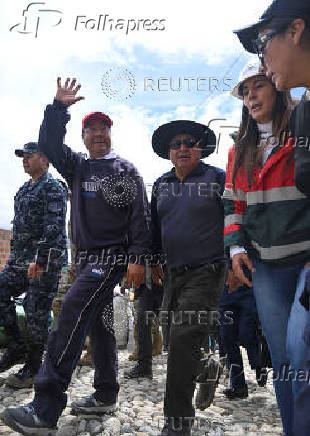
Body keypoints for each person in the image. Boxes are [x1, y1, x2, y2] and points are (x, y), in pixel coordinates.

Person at [0, 77, 151, 436]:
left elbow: (141, 217)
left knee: (70, 310)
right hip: (83, 257)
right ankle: (106, 392)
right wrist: (58, 108)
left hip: (111, 257)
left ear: (111, 134)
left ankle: (45, 407)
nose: (98, 133)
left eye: (104, 128)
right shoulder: (78, 166)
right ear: (84, 136)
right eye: (92, 129)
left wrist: (138, 258)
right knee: (97, 325)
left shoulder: (124, 170)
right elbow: (50, 142)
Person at [223, 58, 310, 436]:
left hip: (306, 260)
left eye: (257, 86)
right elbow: (233, 205)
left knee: (301, 350)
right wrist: (235, 249)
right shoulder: (239, 150)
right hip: (265, 270)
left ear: (276, 85)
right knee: (283, 361)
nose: (251, 96)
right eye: (245, 91)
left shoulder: (302, 131)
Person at [151, 120, 227, 435]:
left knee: (183, 338)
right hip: (170, 274)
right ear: (169, 152)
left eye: (189, 142)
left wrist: (236, 258)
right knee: (172, 338)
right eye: (176, 144)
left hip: (207, 271)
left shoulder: (217, 178)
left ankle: (178, 422)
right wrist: (152, 258)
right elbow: (154, 227)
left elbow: (237, 215)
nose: (182, 148)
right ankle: (206, 368)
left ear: (200, 148)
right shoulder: (161, 184)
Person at [0, 142, 67, 389]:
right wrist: (13, 260)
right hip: (19, 262)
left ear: (45, 159)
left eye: (31, 155)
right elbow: (19, 230)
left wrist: (41, 260)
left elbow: (55, 226)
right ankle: (17, 347)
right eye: (23, 156)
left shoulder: (52, 187)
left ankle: (35, 366)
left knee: (36, 312)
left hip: (44, 262)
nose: (25, 159)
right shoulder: (22, 190)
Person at [219, 265, 265, 400]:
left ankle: (259, 363)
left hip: (249, 288)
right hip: (226, 293)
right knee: (228, 339)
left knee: (246, 335)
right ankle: (238, 387)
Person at [125, 274, 163, 380]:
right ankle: (144, 367)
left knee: (177, 323)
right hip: (146, 283)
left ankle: (184, 368)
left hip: (170, 278)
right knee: (142, 323)